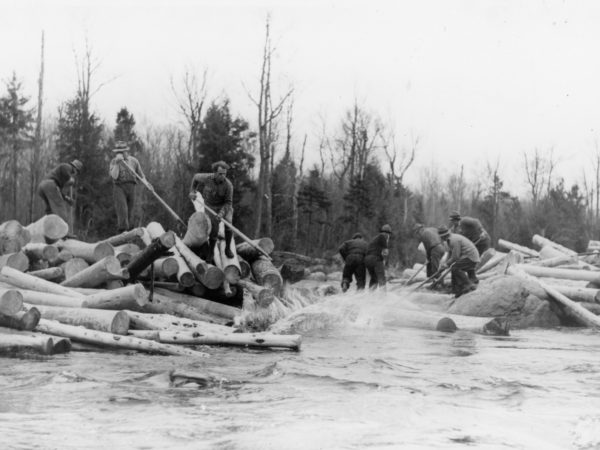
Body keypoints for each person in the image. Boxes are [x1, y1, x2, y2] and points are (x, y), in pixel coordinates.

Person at [190, 161, 234, 261]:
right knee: (213, 229)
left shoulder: (228, 186)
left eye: (224, 174)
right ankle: (211, 252)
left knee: (229, 224)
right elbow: (195, 178)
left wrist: (222, 213)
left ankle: (227, 249)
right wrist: (192, 191)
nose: (222, 176)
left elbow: (228, 203)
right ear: (215, 173)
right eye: (220, 174)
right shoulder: (207, 178)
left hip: (225, 206)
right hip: (210, 206)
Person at [109, 141, 152, 232]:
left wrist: (147, 184)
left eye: (121, 152)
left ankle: (129, 234)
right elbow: (114, 176)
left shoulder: (134, 161)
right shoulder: (114, 162)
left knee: (130, 213)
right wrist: (117, 163)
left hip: (131, 187)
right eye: (118, 152)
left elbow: (141, 176)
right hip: (119, 187)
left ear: (126, 152)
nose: (119, 154)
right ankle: (122, 232)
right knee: (123, 211)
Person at [37, 159, 83, 231]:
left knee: (50, 211)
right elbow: (63, 167)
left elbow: (58, 192)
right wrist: (70, 178)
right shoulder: (67, 167)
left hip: (42, 187)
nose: (75, 174)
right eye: (77, 172)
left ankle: (50, 231)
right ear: (75, 169)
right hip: (49, 185)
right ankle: (63, 232)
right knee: (60, 208)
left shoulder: (59, 179)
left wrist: (67, 198)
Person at [437, 225, 480, 297]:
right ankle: (456, 289)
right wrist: (444, 264)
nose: (441, 239)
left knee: (454, 267)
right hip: (469, 256)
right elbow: (450, 253)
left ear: (443, 236)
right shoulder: (449, 240)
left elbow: (455, 257)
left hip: (471, 257)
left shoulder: (454, 240)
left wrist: (446, 265)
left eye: (441, 237)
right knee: (453, 267)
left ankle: (468, 284)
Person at [364, 224, 392, 289]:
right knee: (381, 278)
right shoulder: (383, 236)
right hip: (375, 258)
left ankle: (371, 295)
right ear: (388, 233)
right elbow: (385, 252)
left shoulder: (375, 238)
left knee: (374, 279)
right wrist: (385, 262)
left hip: (367, 260)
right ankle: (383, 296)